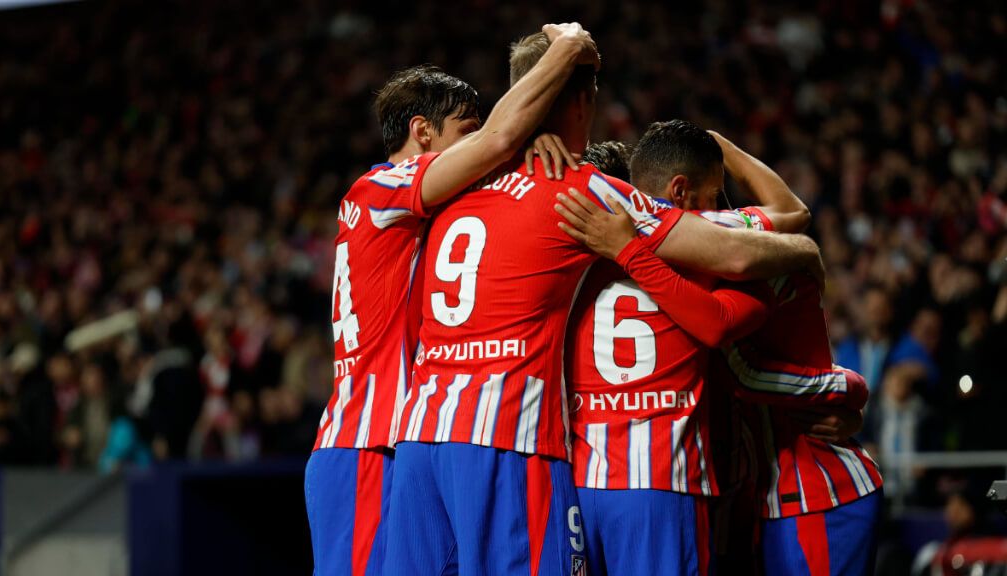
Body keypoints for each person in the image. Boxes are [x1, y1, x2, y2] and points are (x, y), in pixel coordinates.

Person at [384, 29, 825, 575]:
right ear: (584, 100)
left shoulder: (450, 184)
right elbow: (735, 255)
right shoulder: (582, 188)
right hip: (507, 440)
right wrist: (803, 250)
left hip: (419, 435)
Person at [305, 23, 600, 576]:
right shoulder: (384, 190)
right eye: (464, 131)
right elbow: (496, 143)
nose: (477, 144)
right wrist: (565, 50)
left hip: (403, 440)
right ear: (421, 132)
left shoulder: (410, 205)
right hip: (367, 444)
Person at [559, 120, 882, 576]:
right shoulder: (717, 236)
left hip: (789, 488)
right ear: (678, 191)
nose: (719, 203)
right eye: (713, 192)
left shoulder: (563, 257)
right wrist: (847, 387)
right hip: (715, 486)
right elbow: (788, 216)